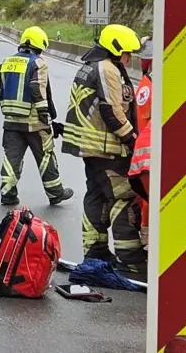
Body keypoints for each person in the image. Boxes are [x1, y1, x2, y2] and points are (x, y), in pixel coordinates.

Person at [62, 24, 145, 272]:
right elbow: (112, 110)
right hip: (106, 147)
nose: (129, 58)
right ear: (116, 48)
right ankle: (130, 258)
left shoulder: (91, 66)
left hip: (90, 148)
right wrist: (133, 140)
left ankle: (95, 251)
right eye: (127, 53)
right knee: (124, 196)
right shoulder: (106, 68)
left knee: (97, 196)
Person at [0, 26, 73, 206]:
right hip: (34, 123)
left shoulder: (7, 61)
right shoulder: (38, 63)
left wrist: (2, 99)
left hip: (11, 121)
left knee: (11, 158)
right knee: (46, 157)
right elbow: (36, 87)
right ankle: (55, 192)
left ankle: (8, 194)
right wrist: (44, 115)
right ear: (39, 46)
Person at [130, 41, 155, 250]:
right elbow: (142, 121)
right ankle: (146, 234)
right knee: (148, 197)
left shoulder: (151, 84)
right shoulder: (147, 86)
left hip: (148, 147)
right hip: (148, 149)